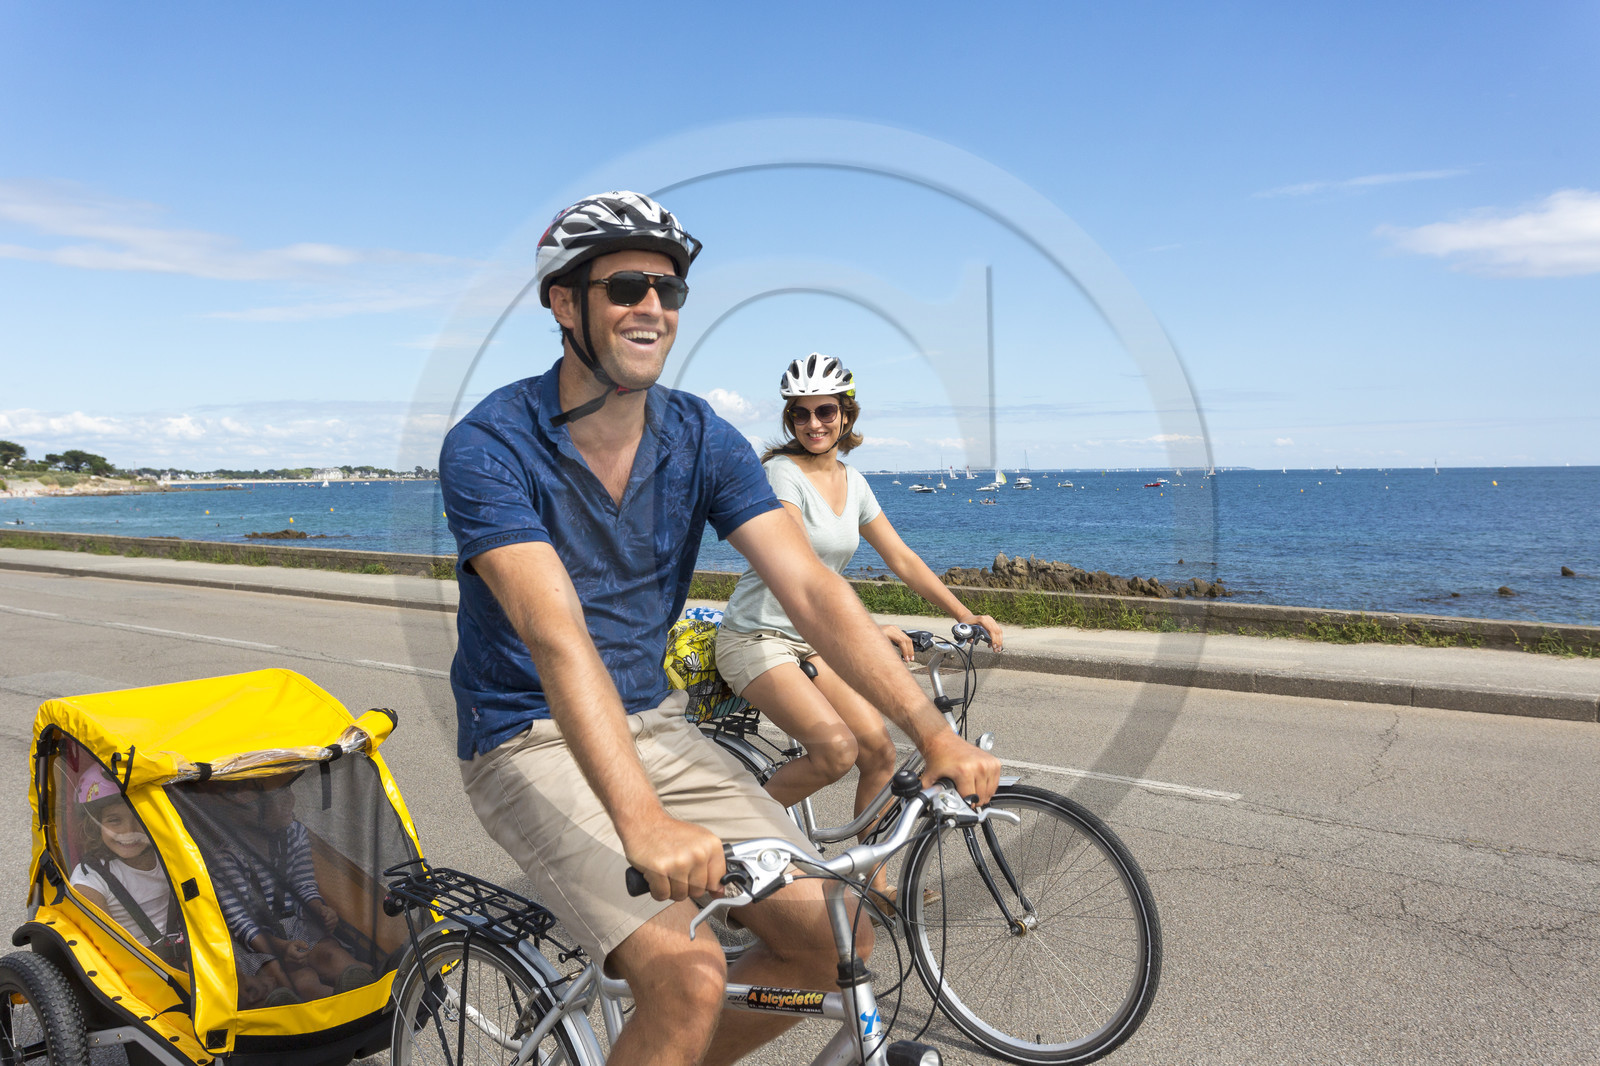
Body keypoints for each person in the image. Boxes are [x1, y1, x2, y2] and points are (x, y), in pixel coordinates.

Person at [439, 190, 1000, 1066]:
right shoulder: (492, 444)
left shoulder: (700, 437)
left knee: (834, 944)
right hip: (528, 735)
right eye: (625, 287)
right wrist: (643, 824)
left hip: (656, 724)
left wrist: (932, 733)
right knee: (690, 976)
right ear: (564, 303)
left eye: (668, 291)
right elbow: (556, 634)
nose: (652, 307)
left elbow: (810, 589)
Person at [715, 356, 1004, 899]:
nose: (813, 423)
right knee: (835, 751)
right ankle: (725, 842)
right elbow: (800, 568)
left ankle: (872, 884)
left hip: (813, 641)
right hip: (758, 637)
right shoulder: (782, 475)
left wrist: (964, 614)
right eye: (801, 414)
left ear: (846, 415)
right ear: (790, 420)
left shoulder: (854, 482)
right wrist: (868, 629)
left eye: (825, 411)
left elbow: (902, 558)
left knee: (879, 752)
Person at [210, 773, 373, 1005]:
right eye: (280, 795)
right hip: (255, 942)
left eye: (288, 790)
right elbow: (241, 924)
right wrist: (281, 947)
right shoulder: (226, 858)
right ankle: (345, 1008)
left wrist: (318, 909)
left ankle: (376, 983)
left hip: (293, 924)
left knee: (332, 956)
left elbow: (303, 884)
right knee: (298, 980)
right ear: (251, 812)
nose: (291, 800)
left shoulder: (294, 833)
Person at [69, 765, 184, 963]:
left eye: (139, 818)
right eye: (114, 821)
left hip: (187, 949)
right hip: (135, 964)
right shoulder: (90, 879)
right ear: (95, 825)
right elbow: (105, 947)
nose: (129, 831)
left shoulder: (170, 856)